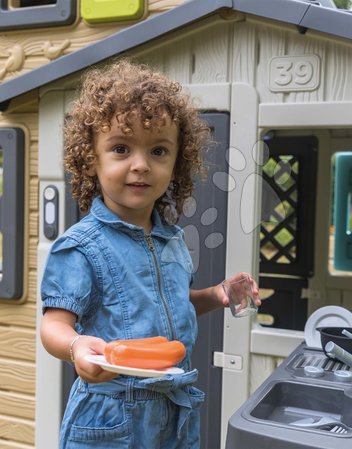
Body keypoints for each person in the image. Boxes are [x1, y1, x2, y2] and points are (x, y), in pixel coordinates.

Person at [39, 58, 260, 449]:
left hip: (175, 410)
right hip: (112, 417)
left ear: (176, 164)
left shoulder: (171, 239)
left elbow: (168, 303)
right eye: (121, 148)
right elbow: (53, 324)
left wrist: (217, 295)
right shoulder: (81, 246)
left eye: (158, 151)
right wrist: (75, 346)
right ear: (92, 160)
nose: (140, 165)